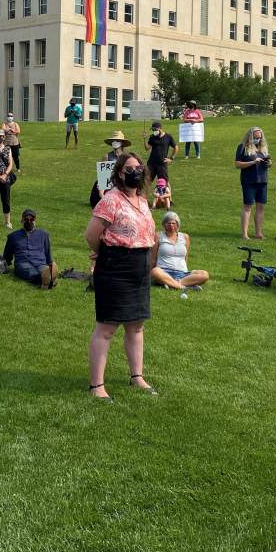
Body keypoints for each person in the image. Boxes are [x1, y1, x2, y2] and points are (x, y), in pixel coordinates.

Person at [85, 152, 158, 401]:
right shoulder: (110, 200)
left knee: (136, 326)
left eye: (139, 167)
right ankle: (97, 386)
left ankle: (137, 376)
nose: (135, 171)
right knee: (107, 328)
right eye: (130, 168)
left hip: (139, 266)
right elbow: (91, 235)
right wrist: (103, 254)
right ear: (118, 173)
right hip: (115, 267)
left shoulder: (143, 200)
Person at [149, 211, 209, 291]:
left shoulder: (185, 237)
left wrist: (186, 272)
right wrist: (149, 274)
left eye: (173, 223)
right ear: (164, 224)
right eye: (168, 223)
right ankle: (184, 286)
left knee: (204, 275)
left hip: (182, 273)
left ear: (178, 225)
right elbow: (153, 258)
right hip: (164, 271)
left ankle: (172, 284)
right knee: (155, 271)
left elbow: (185, 257)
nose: (171, 225)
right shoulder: (158, 236)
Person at [3, 208, 58, 289]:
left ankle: (48, 277)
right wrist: (4, 265)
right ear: (22, 220)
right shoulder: (13, 236)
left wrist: (50, 264)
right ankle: (46, 280)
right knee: (29, 271)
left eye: (31, 219)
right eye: (26, 219)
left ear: (35, 221)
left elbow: (47, 252)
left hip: (40, 262)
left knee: (43, 270)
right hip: (23, 263)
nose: (29, 221)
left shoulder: (43, 234)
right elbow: (7, 256)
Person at [236, 127, 270, 240]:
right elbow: (237, 164)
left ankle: (258, 233)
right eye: (255, 137)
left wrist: (268, 163)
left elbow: (267, 160)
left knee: (261, 207)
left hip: (262, 180)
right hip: (249, 181)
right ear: (250, 137)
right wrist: (252, 162)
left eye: (259, 138)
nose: (258, 139)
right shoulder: (242, 147)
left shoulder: (263, 148)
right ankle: (244, 234)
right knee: (248, 206)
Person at [90, 129, 129, 208]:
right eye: (114, 140)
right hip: (109, 183)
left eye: (117, 140)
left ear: (121, 143)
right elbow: (103, 174)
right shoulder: (106, 156)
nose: (115, 142)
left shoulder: (126, 157)